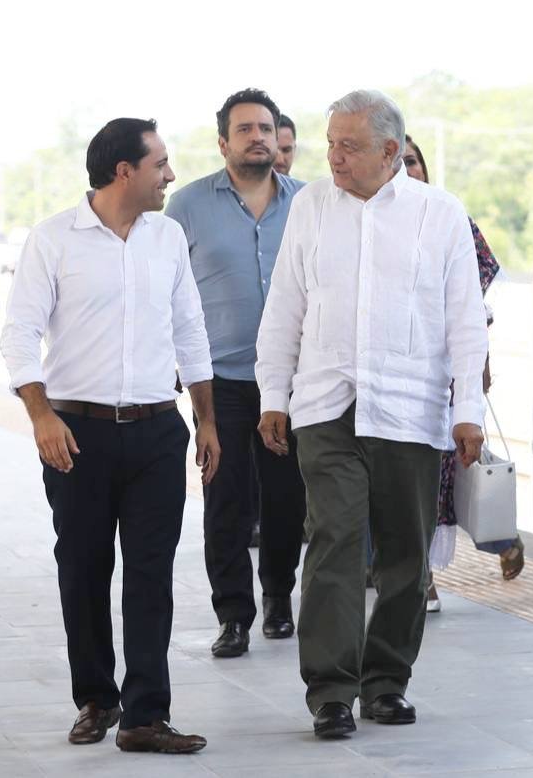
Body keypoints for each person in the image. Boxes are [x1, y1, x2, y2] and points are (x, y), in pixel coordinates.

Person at [255, 90, 488, 739]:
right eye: (329, 143)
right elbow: (285, 305)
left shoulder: (438, 214)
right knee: (332, 539)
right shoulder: (310, 207)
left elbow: (466, 319)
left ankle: (386, 681)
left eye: (348, 146)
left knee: (406, 554)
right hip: (327, 405)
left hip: (410, 410)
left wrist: (467, 408)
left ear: (391, 151)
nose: (332, 156)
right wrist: (274, 392)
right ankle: (331, 689)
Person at [0, 118, 217, 753]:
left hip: (156, 432)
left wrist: (206, 419)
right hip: (77, 435)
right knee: (84, 567)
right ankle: (96, 698)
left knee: (151, 572)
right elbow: (18, 335)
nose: (170, 175)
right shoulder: (53, 240)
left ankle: (146, 714)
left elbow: (190, 329)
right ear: (125, 171)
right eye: (161, 164)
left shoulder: (168, 237)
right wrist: (41, 415)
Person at [165, 89, 308, 658]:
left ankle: (278, 598)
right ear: (223, 141)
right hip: (218, 380)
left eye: (266, 128)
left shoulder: (309, 203)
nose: (259, 137)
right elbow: (165, 291)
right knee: (226, 497)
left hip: (294, 381)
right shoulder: (188, 207)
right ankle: (233, 614)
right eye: (246, 129)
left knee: (286, 498)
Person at [400, 134, 523, 615]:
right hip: (391, 377)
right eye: (399, 163)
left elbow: (476, 304)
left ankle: (426, 573)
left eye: (413, 162)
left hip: (445, 375)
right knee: (406, 479)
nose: (407, 171)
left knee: (440, 477)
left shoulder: (450, 219)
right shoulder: (364, 224)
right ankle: (427, 568)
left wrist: (479, 366)